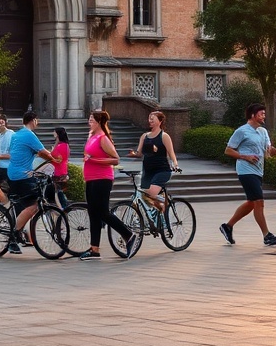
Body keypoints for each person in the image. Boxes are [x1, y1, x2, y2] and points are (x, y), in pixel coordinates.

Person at [219, 103, 276, 247]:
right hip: (245, 170)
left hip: (258, 170)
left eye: (264, 114)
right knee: (259, 202)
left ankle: (227, 226)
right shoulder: (242, 131)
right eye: (261, 114)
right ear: (253, 115)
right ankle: (267, 236)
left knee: (251, 203)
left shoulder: (263, 131)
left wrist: (273, 151)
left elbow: (268, 151)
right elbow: (228, 150)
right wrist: (245, 157)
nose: (264, 116)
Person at [79, 110, 135, 260]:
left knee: (103, 212)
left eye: (92, 120)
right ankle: (94, 249)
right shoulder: (91, 136)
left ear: (99, 122)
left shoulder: (103, 138)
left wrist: (94, 161)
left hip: (102, 179)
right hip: (90, 179)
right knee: (93, 213)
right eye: (89, 119)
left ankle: (128, 234)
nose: (89, 121)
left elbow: (116, 159)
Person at [5, 111, 60, 255]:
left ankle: (17, 235)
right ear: (34, 120)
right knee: (33, 206)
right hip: (22, 176)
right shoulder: (30, 135)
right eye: (37, 121)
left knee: (21, 206)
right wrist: (56, 160)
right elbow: (43, 152)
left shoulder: (16, 135)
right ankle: (12, 237)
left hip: (13, 174)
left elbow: (21, 152)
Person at [127, 110, 178, 215]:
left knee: (150, 193)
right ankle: (156, 213)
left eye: (152, 119)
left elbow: (171, 153)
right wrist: (133, 154)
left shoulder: (164, 136)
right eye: (149, 118)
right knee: (144, 196)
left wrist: (175, 164)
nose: (150, 121)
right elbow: (139, 153)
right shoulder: (144, 136)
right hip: (148, 170)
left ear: (160, 121)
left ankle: (164, 204)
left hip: (162, 170)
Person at [46, 126, 71, 209]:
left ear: (58, 134)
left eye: (54, 132)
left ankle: (62, 207)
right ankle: (62, 207)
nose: (53, 133)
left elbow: (55, 157)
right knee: (57, 191)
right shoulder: (63, 145)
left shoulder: (61, 146)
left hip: (58, 171)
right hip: (60, 170)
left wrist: (50, 153)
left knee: (57, 191)